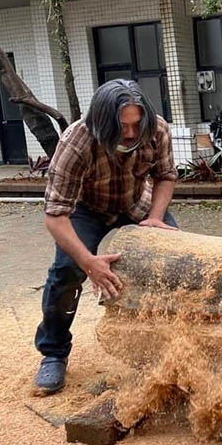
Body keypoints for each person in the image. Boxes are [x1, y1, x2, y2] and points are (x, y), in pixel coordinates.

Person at [34, 79, 179, 395]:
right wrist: (89, 263)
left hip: (136, 203)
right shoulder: (76, 142)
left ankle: (176, 350)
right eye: (121, 126)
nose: (129, 134)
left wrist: (155, 218)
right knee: (66, 272)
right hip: (86, 210)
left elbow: (165, 176)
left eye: (135, 125)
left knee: (177, 262)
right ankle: (53, 352)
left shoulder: (156, 129)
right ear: (101, 122)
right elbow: (55, 215)